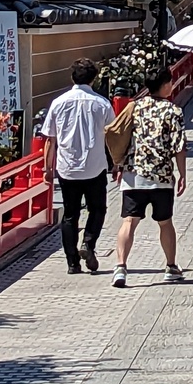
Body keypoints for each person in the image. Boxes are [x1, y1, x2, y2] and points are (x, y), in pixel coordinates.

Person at [111, 75, 186, 289]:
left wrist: (119, 164)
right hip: (161, 175)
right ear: (164, 85)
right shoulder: (173, 111)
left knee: (129, 221)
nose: (171, 85)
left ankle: (120, 267)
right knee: (165, 222)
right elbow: (179, 145)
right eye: (169, 82)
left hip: (133, 173)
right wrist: (182, 174)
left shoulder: (134, 107)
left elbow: (122, 136)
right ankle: (171, 267)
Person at [42, 58, 116, 275]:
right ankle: (89, 243)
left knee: (70, 215)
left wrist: (48, 168)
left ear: (72, 77)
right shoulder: (102, 103)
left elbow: (50, 139)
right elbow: (112, 135)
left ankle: (72, 262)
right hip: (95, 165)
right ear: (94, 79)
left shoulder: (58, 102)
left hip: (67, 166)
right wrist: (118, 163)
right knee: (98, 209)